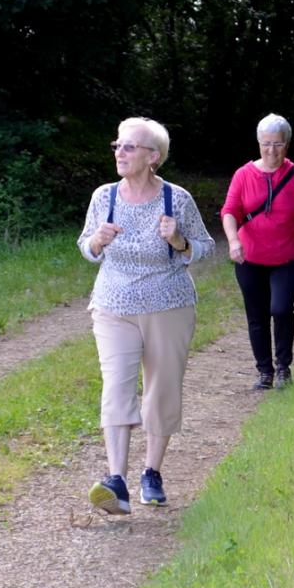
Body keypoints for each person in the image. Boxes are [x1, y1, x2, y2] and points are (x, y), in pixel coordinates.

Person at [77, 117, 215, 514]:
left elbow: (204, 247)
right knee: (116, 385)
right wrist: (96, 242)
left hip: (168, 304)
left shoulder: (177, 199)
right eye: (117, 146)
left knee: (161, 388)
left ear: (153, 157)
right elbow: (86, 246)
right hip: (114, 305)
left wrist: (179, 240)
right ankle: (116, 480)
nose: (119, 153)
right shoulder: (104, 196)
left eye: (129, 147)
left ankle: (151, 472)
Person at [220, 113, 294, 391]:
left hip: (288, 257)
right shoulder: (243, 175)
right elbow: (230, 211)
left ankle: (283, 368)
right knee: (257, 314)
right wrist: (232, 241)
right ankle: (264, 371)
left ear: (287, 144)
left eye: (277, 144)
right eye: (266, 144)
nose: (271, 150)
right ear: (258, 143)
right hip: (249, 258)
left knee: (280, 308)